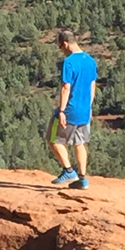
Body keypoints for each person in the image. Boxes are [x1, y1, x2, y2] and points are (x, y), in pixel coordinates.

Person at [50, 29, 97, 189]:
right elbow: (92, 86)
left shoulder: (69, 62)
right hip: (85, 110)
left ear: (65, 43)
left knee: (53, 139)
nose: (61, 51)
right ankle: (83, 179)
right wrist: (89, 107)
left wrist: (62, 111)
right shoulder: (90, 60)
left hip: (70, 109)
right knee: (80, 143)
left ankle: (68, 170)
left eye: (60, 47)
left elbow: (65, 87)